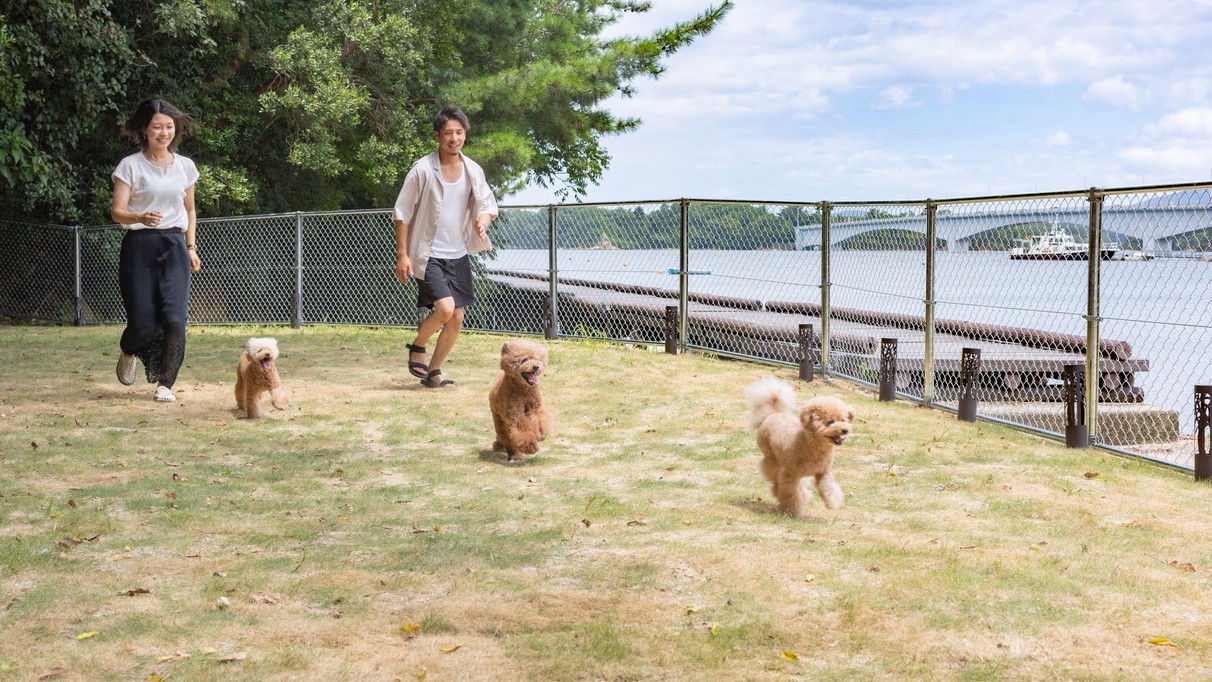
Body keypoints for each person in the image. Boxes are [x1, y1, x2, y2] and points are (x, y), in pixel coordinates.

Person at [392, 105, 498, 388]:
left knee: (457, 319)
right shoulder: (422, 170)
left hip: (459, 254)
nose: (455, 138)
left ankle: (434, 371)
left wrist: (482, 223)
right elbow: (402, 212)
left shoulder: (473, 170)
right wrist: (402, 255)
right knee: (445, 308)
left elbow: (488, 206)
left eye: (459, 132)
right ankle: (417, 345)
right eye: (448, 133)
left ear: (465, 135)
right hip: (429, 255)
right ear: (437, 135)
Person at [110, 98, 200, 402]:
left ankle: (165, 384)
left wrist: (191, 247)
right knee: (143, 324)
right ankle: (128, 349)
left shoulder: (186, 166)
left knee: (175, 318)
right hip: (139, 247)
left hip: (175, 246)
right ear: (145, 130)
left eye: (169, 127)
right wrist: (139, 217)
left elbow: (190, 211)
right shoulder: (129, 166)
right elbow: (117, 212)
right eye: (157, 127)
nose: (164, 133)